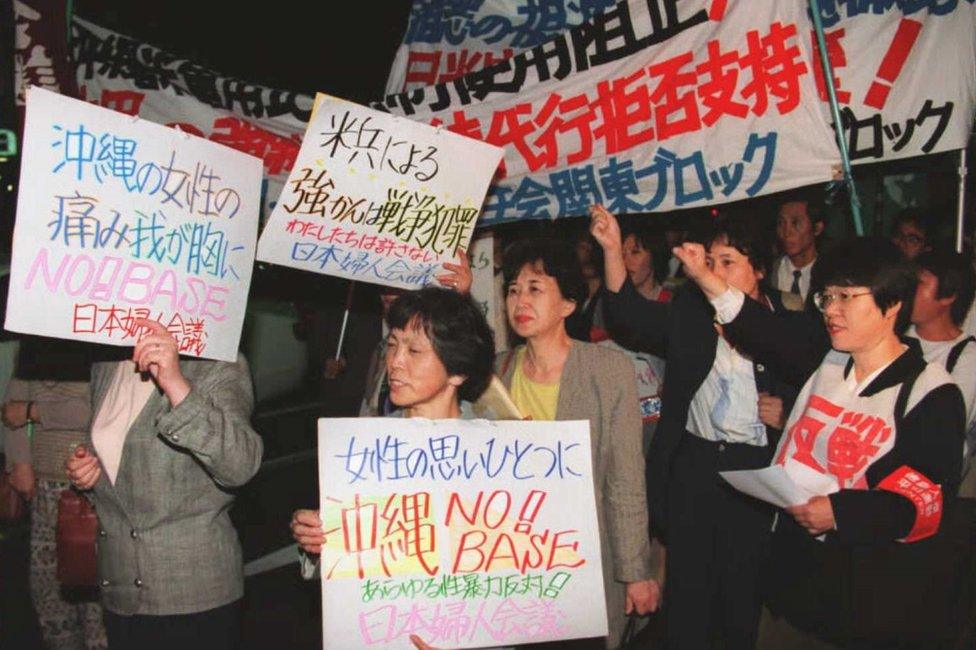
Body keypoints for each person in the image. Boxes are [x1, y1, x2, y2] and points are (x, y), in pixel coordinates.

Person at [679, 238, 967, 647]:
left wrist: (841, 512)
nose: (831, 309)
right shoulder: (827, 358)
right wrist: (706, 277)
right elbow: (762, 329)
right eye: (826, 296)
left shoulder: (931, 393)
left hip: (865, 603)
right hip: (790, 587)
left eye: (846, 297)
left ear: (892, 304)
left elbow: (925, 502)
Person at [592, 205, 799, 650]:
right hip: (695, 466)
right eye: (708, 263)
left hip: (755, 473)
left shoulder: (787, 322)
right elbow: (628, 317)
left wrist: (789, 413)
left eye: (727, 263)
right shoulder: (691, 313)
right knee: (688, 600)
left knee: (741, 596)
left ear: (759, 270)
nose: (713, 273)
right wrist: (612, 248)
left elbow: (818, 383)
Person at [290, 288, 495, 648]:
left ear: (458, 371)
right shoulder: (366, 449)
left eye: (414, 350)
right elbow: (353, 566)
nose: (395, 361)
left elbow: (513, 579)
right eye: (393, 345)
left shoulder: (498, 455)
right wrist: (320, 542)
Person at [497, 237, 660, 649]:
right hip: (514, 565)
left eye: (535, 288)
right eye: (513, 290)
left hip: (584, 563)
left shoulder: (608, 370)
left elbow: (625, 479)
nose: (520, 300)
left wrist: (635, 571)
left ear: (568, 304)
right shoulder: (497, 374)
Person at [66, 319, 263, 650]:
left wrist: (175, 383)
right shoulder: (106, 363)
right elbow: (120, 457)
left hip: (193, 595)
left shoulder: (218, 363)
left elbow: (241, 464)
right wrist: (87, 473)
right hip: (119, 592)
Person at [3, 337, 107, 649]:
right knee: (48, 590)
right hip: (46, 487)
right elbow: (11, 411)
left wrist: (34, 410)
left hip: (98, 486)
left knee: (96, 589)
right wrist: (19, 461)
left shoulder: (102, 339)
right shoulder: (34, 341)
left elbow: (97, 409)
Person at [770, 192, 826, 309]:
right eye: (781, 223)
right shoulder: (766, 272)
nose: (786, 232)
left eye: (795, 223)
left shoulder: (830, 274)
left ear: (817, 228)